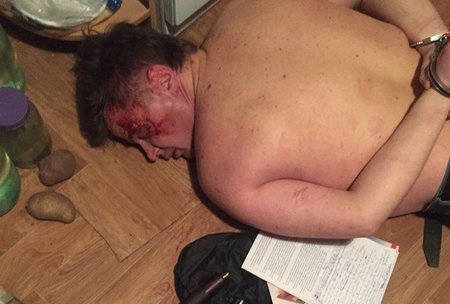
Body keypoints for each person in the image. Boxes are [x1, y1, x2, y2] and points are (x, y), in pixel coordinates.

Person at [73, 0, 450, 240]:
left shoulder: (222, 172)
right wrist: (434, 39)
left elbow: (361, 216)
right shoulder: (246, 7)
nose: (151, 153)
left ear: (162, 80)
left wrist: (439, 90)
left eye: (142, 133)